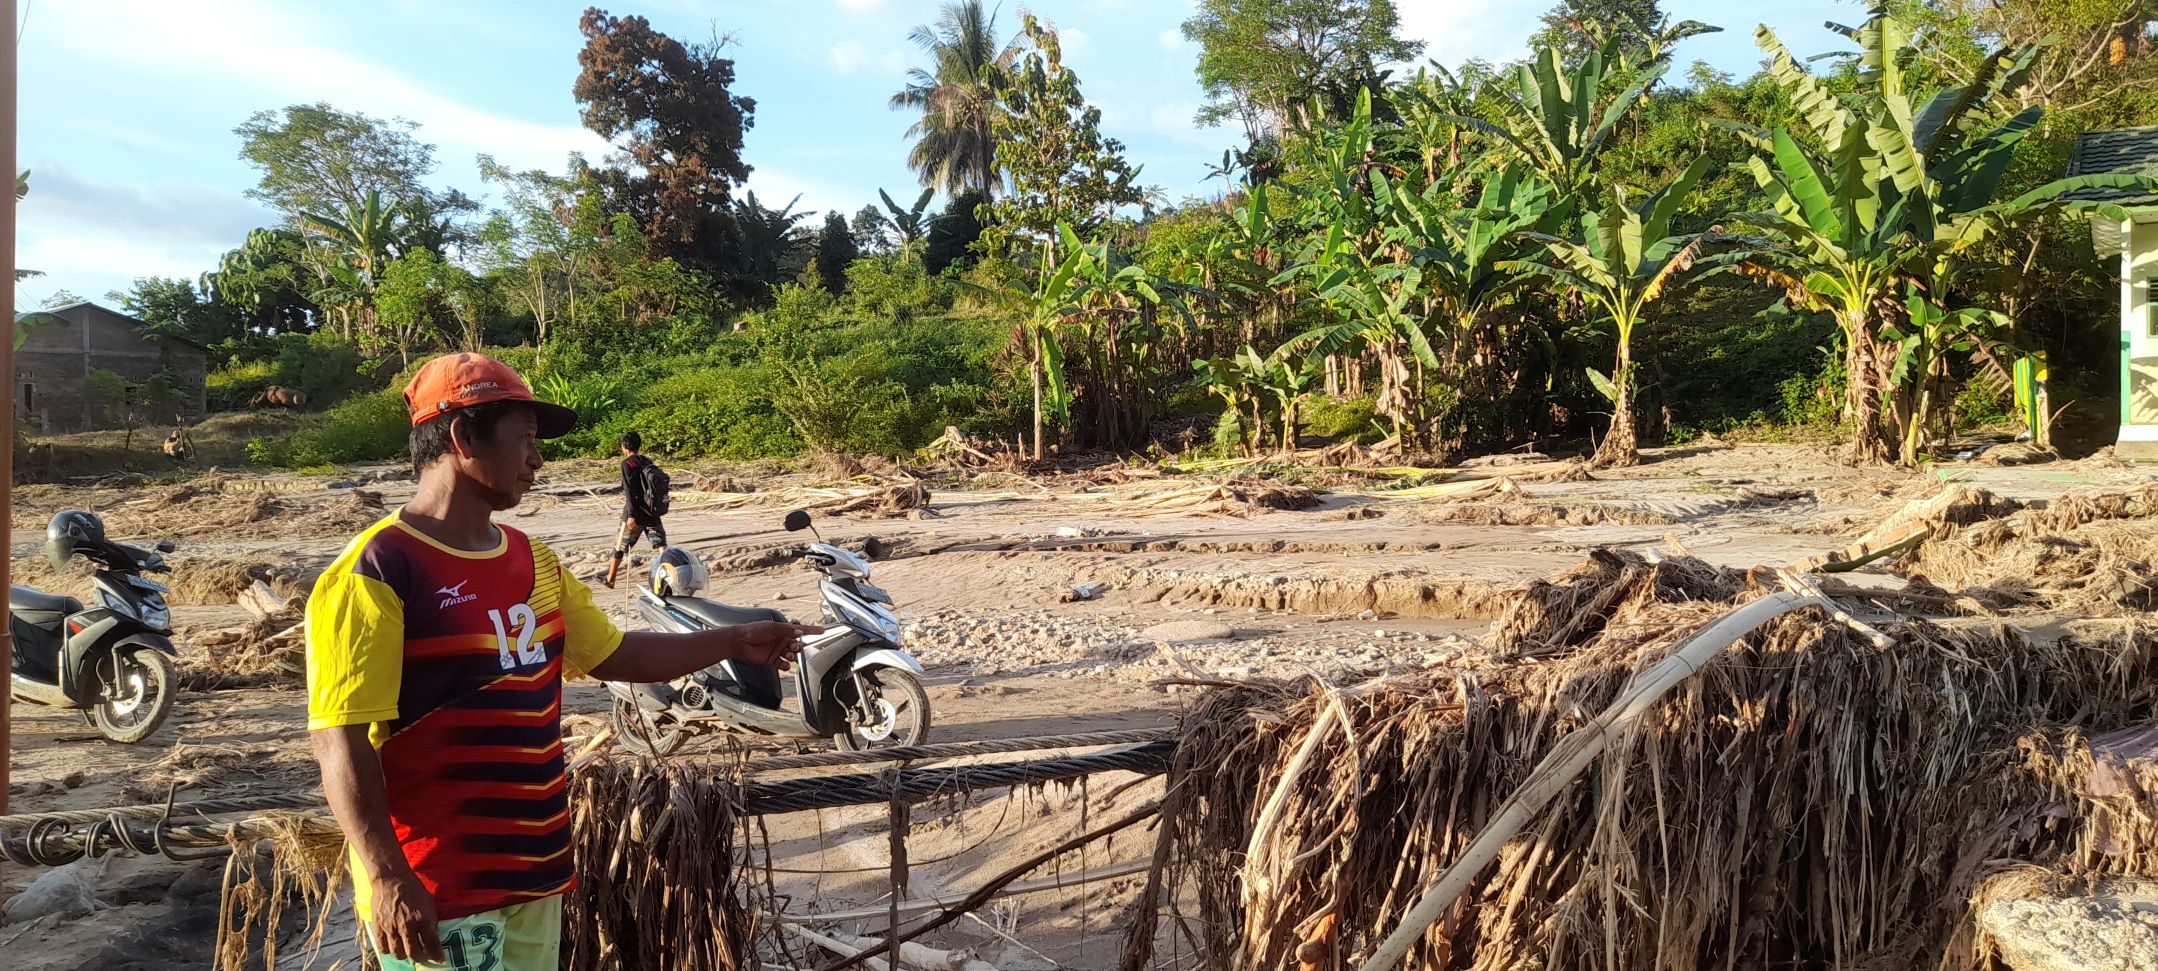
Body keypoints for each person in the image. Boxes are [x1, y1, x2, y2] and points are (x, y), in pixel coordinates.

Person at [305, 353, 817, 970]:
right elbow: (339, 739)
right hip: (438, 889)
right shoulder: (377, 570)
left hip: (537, 873)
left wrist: (736, 641)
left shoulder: (533, 560)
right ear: (463, 437)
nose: (537, 459)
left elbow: (616, 653)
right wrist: (388, 876)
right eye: (524, 439)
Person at [604, 430, 665, 589]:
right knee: (661, 545)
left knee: (620, 545)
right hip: (651, 511)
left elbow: (629, 491)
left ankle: (610, 579)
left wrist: (631, 515)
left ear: (624, 446)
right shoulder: (647, 461)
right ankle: (668, 575)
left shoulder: (627, 464)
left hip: (635, 514)